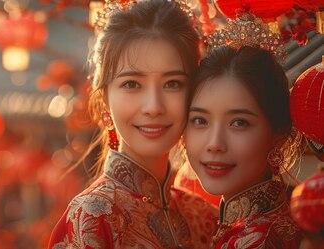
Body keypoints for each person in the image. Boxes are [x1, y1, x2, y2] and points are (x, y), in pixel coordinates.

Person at [48, 0, 218, 248]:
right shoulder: (94, 217)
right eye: (131, 84)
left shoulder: (204, 217)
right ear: (105, 98)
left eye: (172, 83)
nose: (154, 106)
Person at [184, 13, 306, 248]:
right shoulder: (267, 225)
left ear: (278, 137)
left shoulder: (255, 240)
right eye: (200, 120)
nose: (214, 143)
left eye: (238, 123)